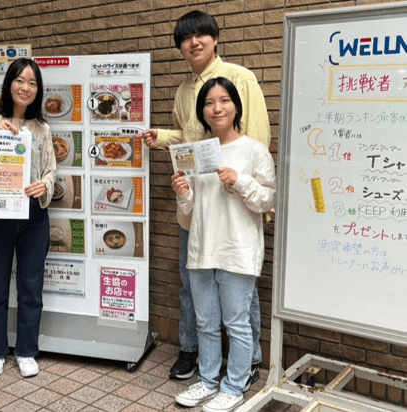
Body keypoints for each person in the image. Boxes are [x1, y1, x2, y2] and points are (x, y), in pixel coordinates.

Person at [139, 10, 270, 383]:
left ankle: (250, 359)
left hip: (235, 199)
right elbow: (189, 138)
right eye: (185, 38)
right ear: (180, 47)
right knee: (189, 278)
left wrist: (257, 196)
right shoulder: (183, 91)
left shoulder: (241, 79)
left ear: (215, 39)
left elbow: (256, 140)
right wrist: (161, 137)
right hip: (197, 202)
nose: (193, 43)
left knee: (242, 286)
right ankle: (192, 350)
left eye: (201, 35)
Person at [173, 77, 275, 411]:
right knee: (205, 322)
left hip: (238, 250)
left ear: (235, 107)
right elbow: (189, 210)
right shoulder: (196, 152)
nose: (216, 108)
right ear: (201, 111)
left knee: (236, 323)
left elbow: (266, 199)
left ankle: (234, 385)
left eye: (224, 100)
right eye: (208, 103)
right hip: (202, 248)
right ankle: (207, 380)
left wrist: (240, 180)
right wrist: (183, 193)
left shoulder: (253, 150)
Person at [0, 58, 56, 378]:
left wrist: (44, 184)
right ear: (9, 84)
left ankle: (27, 350)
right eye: (20, 80)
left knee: (31, 287)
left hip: (32, 216)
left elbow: (51, 173)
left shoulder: (42, 129)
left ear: (37, 90)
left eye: (32, 83)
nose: (25, 88)